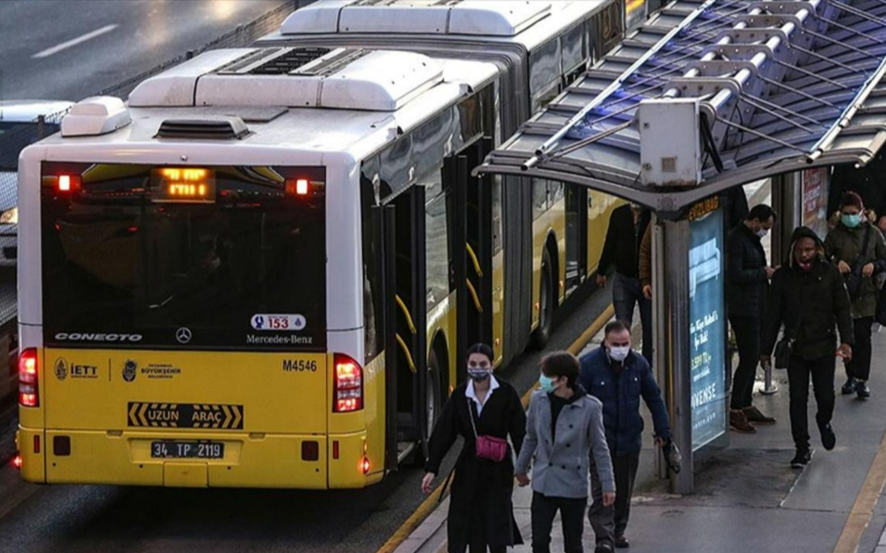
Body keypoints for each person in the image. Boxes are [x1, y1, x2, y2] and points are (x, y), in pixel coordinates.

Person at [762, 227, 854, 468]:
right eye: (800, 250)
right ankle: (801, 447)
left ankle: (824, 421)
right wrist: (765, 350)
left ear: (817, 250)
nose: (804, 255)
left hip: (824, 346)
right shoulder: (783, 278)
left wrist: (846, 341)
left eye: (809, 250)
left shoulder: (830, 274)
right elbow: (773, 315)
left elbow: (842, 309)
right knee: (797, 398)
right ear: (793, 251)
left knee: (825, 395)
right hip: (797, 348)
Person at [422, 343, 527, 553]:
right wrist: (432, 468)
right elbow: (444, 432)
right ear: (467, 365)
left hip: (499, 470)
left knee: (497, 529)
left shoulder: (506, 393)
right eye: (473, 364)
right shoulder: (461, 396)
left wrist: (522, 467)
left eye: (482, 364)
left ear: (491, 365)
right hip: (469, 469)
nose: (477, 368)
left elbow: (520, 433)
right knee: (471, 528)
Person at [578, 321, 671, 549]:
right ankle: (604, 538)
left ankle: (618, 530)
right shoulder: (588, 366)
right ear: (605, 344)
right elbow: (576, 403)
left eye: (625, 344)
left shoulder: (638, 364)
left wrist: (663, 430)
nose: (621, 348)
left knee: (623, 491)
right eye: (616, 344)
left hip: (629, 440)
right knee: (603, 492)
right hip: (601, 443)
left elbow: (654, 397)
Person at [515, 352, 616, 553]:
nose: (542, 380)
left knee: (573, 543)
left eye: (547, 375)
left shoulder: (590, 407)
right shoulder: (538, 400)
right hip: (544, 483)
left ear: (563, 380)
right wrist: (520, 467)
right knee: (540, 541)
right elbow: (531, 437)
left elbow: (600, 448)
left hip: (573, 484)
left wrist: (608, 485)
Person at [824, 192, 886, 399]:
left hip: (867, 294)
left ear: (862, 212)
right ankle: (851, 376)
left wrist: (874, 265)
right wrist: (835, 264)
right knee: (847, 338)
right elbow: (822, 260)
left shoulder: (874, 234)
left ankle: (862, 379)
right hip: (843, 296)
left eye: (853, 213)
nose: (849, 216)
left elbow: (884, 259)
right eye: (845, 213)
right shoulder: (834, 236)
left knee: (863, 337)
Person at [725, 204, 778, 433]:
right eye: (764, 227)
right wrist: (762, 273)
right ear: (755, 221)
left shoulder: (749, 239)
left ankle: (745, 404)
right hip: (742, 308)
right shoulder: (737, 240)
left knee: (752, 356)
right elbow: (735, 274)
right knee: (748, 358)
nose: (765, 231)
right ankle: (736, 408)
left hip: (754, 305)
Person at [597, 202, 653, 364]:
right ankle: (623, 365)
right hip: (623, 278)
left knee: (649, 328)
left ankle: (646, 367)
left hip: (648, 281)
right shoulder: (618, 215)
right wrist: (602, 271)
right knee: (622, 325)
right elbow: (610, 242)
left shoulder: (652, 214)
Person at [828, 154, 886, 233]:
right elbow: (836, 185)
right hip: (850, 216)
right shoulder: (848, 149)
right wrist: (832, 214)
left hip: (878, 217)